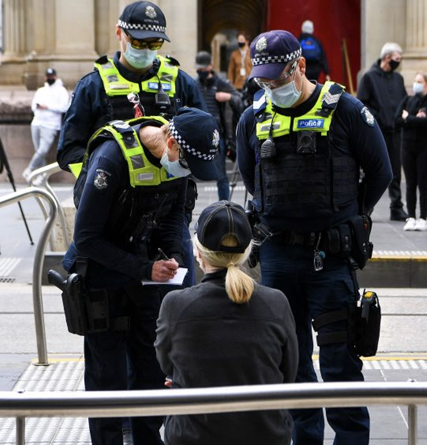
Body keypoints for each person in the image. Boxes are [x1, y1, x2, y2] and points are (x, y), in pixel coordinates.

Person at [236, 30, 392, 445]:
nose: (272, 89)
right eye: (264, 83)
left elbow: (381, 171)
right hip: (278, 257)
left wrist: (352, 216)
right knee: (291, 363)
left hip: (330, 257)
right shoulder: (252, 117)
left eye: (279, 80)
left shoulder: (345, 110)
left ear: (300, 66)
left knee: (340, 362)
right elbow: (253, 178)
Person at [63, 107, 220, 445]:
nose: (186, 172)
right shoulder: (113, 158)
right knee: (109, 381)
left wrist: (176, 254)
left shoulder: (176, 163)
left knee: (152, 372)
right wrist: (144, 268)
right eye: (188, 164)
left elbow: (174, 217)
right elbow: (86, 238)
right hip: (101, 277)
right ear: (170, 141)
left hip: (145, 277)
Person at [56, 0, 207, 288]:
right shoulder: (94, 85)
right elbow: (69, 151)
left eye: (155, 43)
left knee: (174, 310)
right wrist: (101, 181)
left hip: (168, 216)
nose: (146, 49)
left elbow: (203, 138)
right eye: (139, 42)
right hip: (114, 219)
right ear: (120, 34)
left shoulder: (180, 83)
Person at [155, 200, 298, 445]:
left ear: (198, 252)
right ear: (247, 251)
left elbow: (166, 363)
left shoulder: (174, 304)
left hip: (192, 436)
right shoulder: (276, 302)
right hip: (266, 434)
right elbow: (288, 371)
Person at [357, 42, 408, 221]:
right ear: (387, 57)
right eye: (396, 59)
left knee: (395, 170)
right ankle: (366, 206)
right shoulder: (369, 77)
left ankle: (397, 206)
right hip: (377, 131)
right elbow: (362, 103)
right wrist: (377, 118)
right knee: (374, 169)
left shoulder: (398, 79)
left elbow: (404, 101)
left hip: (395, 131)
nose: (398, 62)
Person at [194, 51, 243, 201]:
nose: (201, 72)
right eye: (199, 69)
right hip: (197, 135)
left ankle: (224, 206)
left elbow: (241, 101)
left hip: (218, 135)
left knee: (221, 175)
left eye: (203, 68)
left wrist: (227, 97)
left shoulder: (221, 84)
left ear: (211, 66)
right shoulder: (194, 84)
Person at [395, 71, 427, 231]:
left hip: (425, 147)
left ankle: (422, 217)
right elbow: (397, 120)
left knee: (423, 183)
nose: (417, 84)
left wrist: (409, 118)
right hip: (407, 146)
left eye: (420, 81)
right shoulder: (408, 100)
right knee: (410, 184)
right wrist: (414, 119)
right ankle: (411, 216)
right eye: (415, 81)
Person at [22, 68, 70, 181]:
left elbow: (64, 107)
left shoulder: (61, 91)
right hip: (36, 123)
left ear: (56, 77)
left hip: (50, 125)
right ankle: (42, 177)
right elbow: (34, 106)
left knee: (42, 150)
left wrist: (47, 107)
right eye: (48, 76)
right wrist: (40, 107)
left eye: (52, 76)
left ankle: (30, 169)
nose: (50, 78)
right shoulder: (41, 90)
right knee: (39, 151)